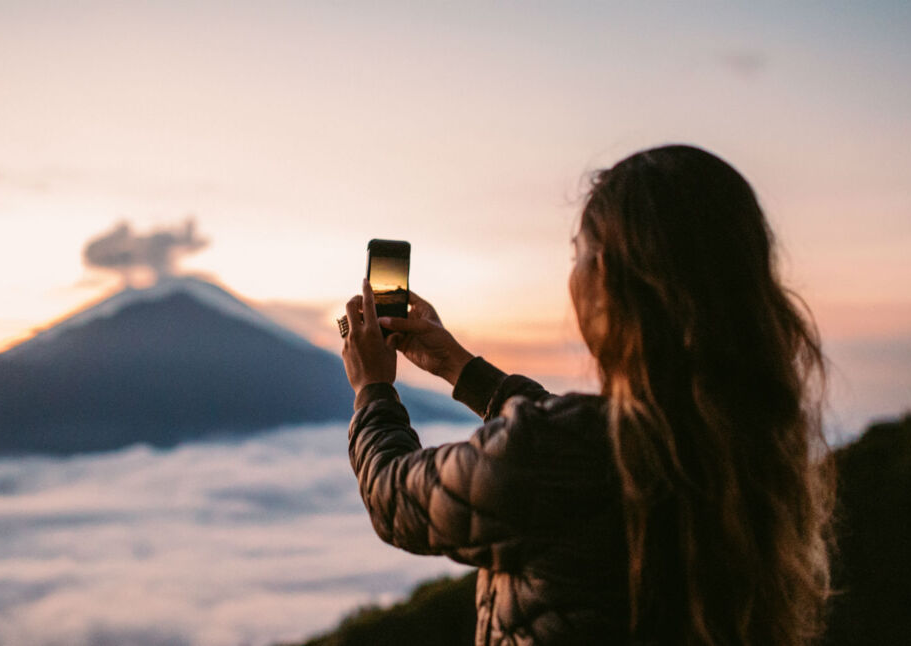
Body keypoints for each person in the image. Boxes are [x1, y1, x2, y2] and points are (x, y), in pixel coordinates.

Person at [340, 144, 834, 645]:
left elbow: (394, 499)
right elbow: (582, 443)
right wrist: (459, 368)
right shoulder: (746, 441)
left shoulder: (562, 453)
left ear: (607, 274)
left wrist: (372, 388)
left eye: (578, 253)